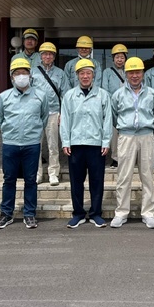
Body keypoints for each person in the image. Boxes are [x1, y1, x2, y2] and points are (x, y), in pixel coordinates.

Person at [0, 58, 49, 229]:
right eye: (17, 73)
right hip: (10, 144)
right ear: (12, 77)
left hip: (32, 144)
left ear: (30, 75)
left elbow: (44, 118)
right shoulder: (4, 97)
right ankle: (6, 213)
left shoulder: (40, 96)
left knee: (31, 180)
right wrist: (9, 132)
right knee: (9, 179)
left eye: (24, 72)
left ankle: (29, 213)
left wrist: (34, 133)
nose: (21, 76)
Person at [110, 57, 154, 229]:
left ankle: (148, 213)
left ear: (143, 73)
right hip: (126, 136)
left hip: (146, 136)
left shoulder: (152, 94)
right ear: (126, 74)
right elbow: (114, 115)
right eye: (131, 72)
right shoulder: (118, 94)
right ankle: (121, 213)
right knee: (124, 176)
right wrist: (126, 127)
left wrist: (146, 125)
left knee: (147, 176)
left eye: (138, 72)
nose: (134, 75)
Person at [60, 59, 113, 229]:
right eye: (82, 73)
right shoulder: (69, 96)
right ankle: (78, 214)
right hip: (76, 144)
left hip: (96, 144)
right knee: (76, 181)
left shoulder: (103, 95)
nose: (85, 76)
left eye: (88, 73)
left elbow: (107, 120)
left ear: (93, 75)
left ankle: (96, 213)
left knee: (97, 181)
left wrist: (106, 141)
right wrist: (65, 141)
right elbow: (65, 120)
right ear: (77, 76)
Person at [31, 42, 66, 186]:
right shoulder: (33, 72)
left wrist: (62, 113)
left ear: (54, 56)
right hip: (36, 114)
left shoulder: (60, 73)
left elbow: (64, 94)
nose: (47, 56)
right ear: (40, 56)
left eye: (50, 54)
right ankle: (37, 174)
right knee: (35, 146)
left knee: (53, 145)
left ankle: (53, 173)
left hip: (53, 113)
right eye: (45, 54)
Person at [102, 43, 128, 169]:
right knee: (114, 134)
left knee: (126, 133)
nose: (119, 60)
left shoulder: (129, 72)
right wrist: (114, 100)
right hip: (113, 106)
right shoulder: (107, 72)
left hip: (127, 106)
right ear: (113, 58)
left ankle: (126, 157)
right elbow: (104, 89)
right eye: (117, 57)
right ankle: (115, 158)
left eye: (122, 57)